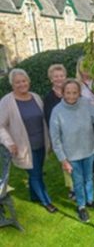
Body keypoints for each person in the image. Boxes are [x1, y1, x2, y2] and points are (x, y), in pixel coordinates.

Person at [0, 69, 57, 213]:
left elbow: (43, 119)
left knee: (37, 171)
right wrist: (9, 143)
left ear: (29, 82)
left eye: (24, 81)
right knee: (35, 174)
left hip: (41, 143)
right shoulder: (7, 101)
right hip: (22, 146)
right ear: (12, 84)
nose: (21, 84)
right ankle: (46, 201)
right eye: (17, 82)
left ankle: (34, 196)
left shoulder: (36, 97)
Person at [50, 80, 94, 223]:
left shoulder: (85, 104)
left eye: (75, 92)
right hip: (72, 155)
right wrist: (63, 159)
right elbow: (55, 139)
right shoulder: (57, 111)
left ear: (79, 92)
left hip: (88, 149)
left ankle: (91, 200)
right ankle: (81, 206)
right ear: (63, 93)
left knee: (89, 177)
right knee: (78, 181)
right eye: (68, 92)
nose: (71, 95)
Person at [43, 64, 75, 199]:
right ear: (51, 78)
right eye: (56, 76)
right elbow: (49, 119)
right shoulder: (49, 98)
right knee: (67, 162)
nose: (59, 79)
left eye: (61, 76)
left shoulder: (72, 92)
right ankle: (72, 189)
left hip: (77, 133)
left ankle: (82, 183)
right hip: (62, 136)